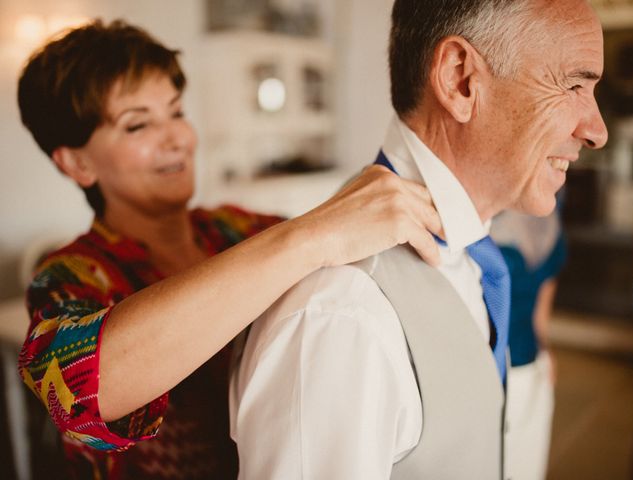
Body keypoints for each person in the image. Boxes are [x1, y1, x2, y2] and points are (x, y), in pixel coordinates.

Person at [15, 20, 443, 479]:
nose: (177, 137)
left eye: (176, 112)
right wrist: (312, 235)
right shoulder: (69, 275)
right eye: (138, 124)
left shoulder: (235, 228)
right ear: (77, 162)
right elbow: (86, 391)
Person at [230, 0, 608, 478]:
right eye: (574, 84)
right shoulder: (342, 313)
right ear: (460, 80)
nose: (597, 131)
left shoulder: (475, 253)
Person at [491, 205, 567, 480]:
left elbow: (541, 311)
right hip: (490, 370)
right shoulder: (484, 215)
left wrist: (546, 354)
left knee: (525, 466)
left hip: (530, 367)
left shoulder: (548, 223)